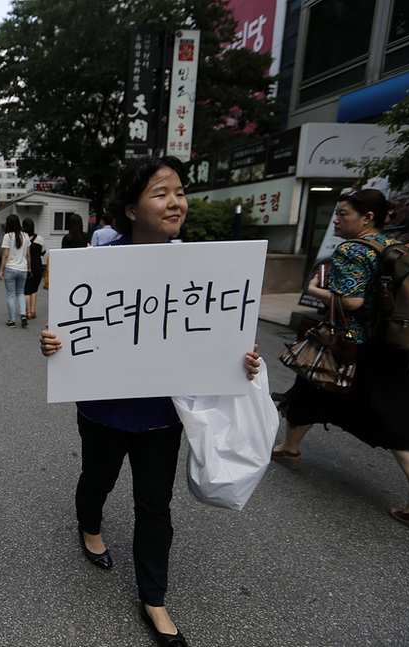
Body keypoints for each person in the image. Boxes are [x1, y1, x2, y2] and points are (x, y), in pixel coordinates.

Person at [40, 156, 260, 647]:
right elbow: (72, 330)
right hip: (104, 407)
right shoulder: (98, 263)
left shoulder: (203, 266)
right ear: (131, 209)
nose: (175, 202)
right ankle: (90, 525)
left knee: (154, 505)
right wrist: (54, 344)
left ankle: (154, 599)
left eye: (179, 191)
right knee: (98, 477)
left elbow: (218, 335)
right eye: (161, 193)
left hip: (164, 413)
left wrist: (239, 360)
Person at [272, 188, 409, 539]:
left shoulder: (352, 249)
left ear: (367, 218)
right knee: (395, 413)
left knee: (314, 385)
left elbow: (349, 302)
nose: (336, 220)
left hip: (348, 346)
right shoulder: (390, 247)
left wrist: (317, 289)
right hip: (386, 346)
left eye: (343, 214)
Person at [0, 214, 31, 328]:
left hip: (10, 268)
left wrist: (1, 270)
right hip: (23, 269)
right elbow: (28, 254)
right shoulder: (26, 236)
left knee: (10, 295)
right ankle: (23, 315)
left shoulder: (7, 236)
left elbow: (5, 254)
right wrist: (29, 268)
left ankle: (12, 320)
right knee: (21, 292)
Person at [22, 217, 47, 319]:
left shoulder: (22, 238)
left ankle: (27, 311)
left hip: (26, 267)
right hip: (38, 267)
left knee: (26, 290)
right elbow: (43, 252)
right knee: (34, 290)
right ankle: (33, 309)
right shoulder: (39, 239)